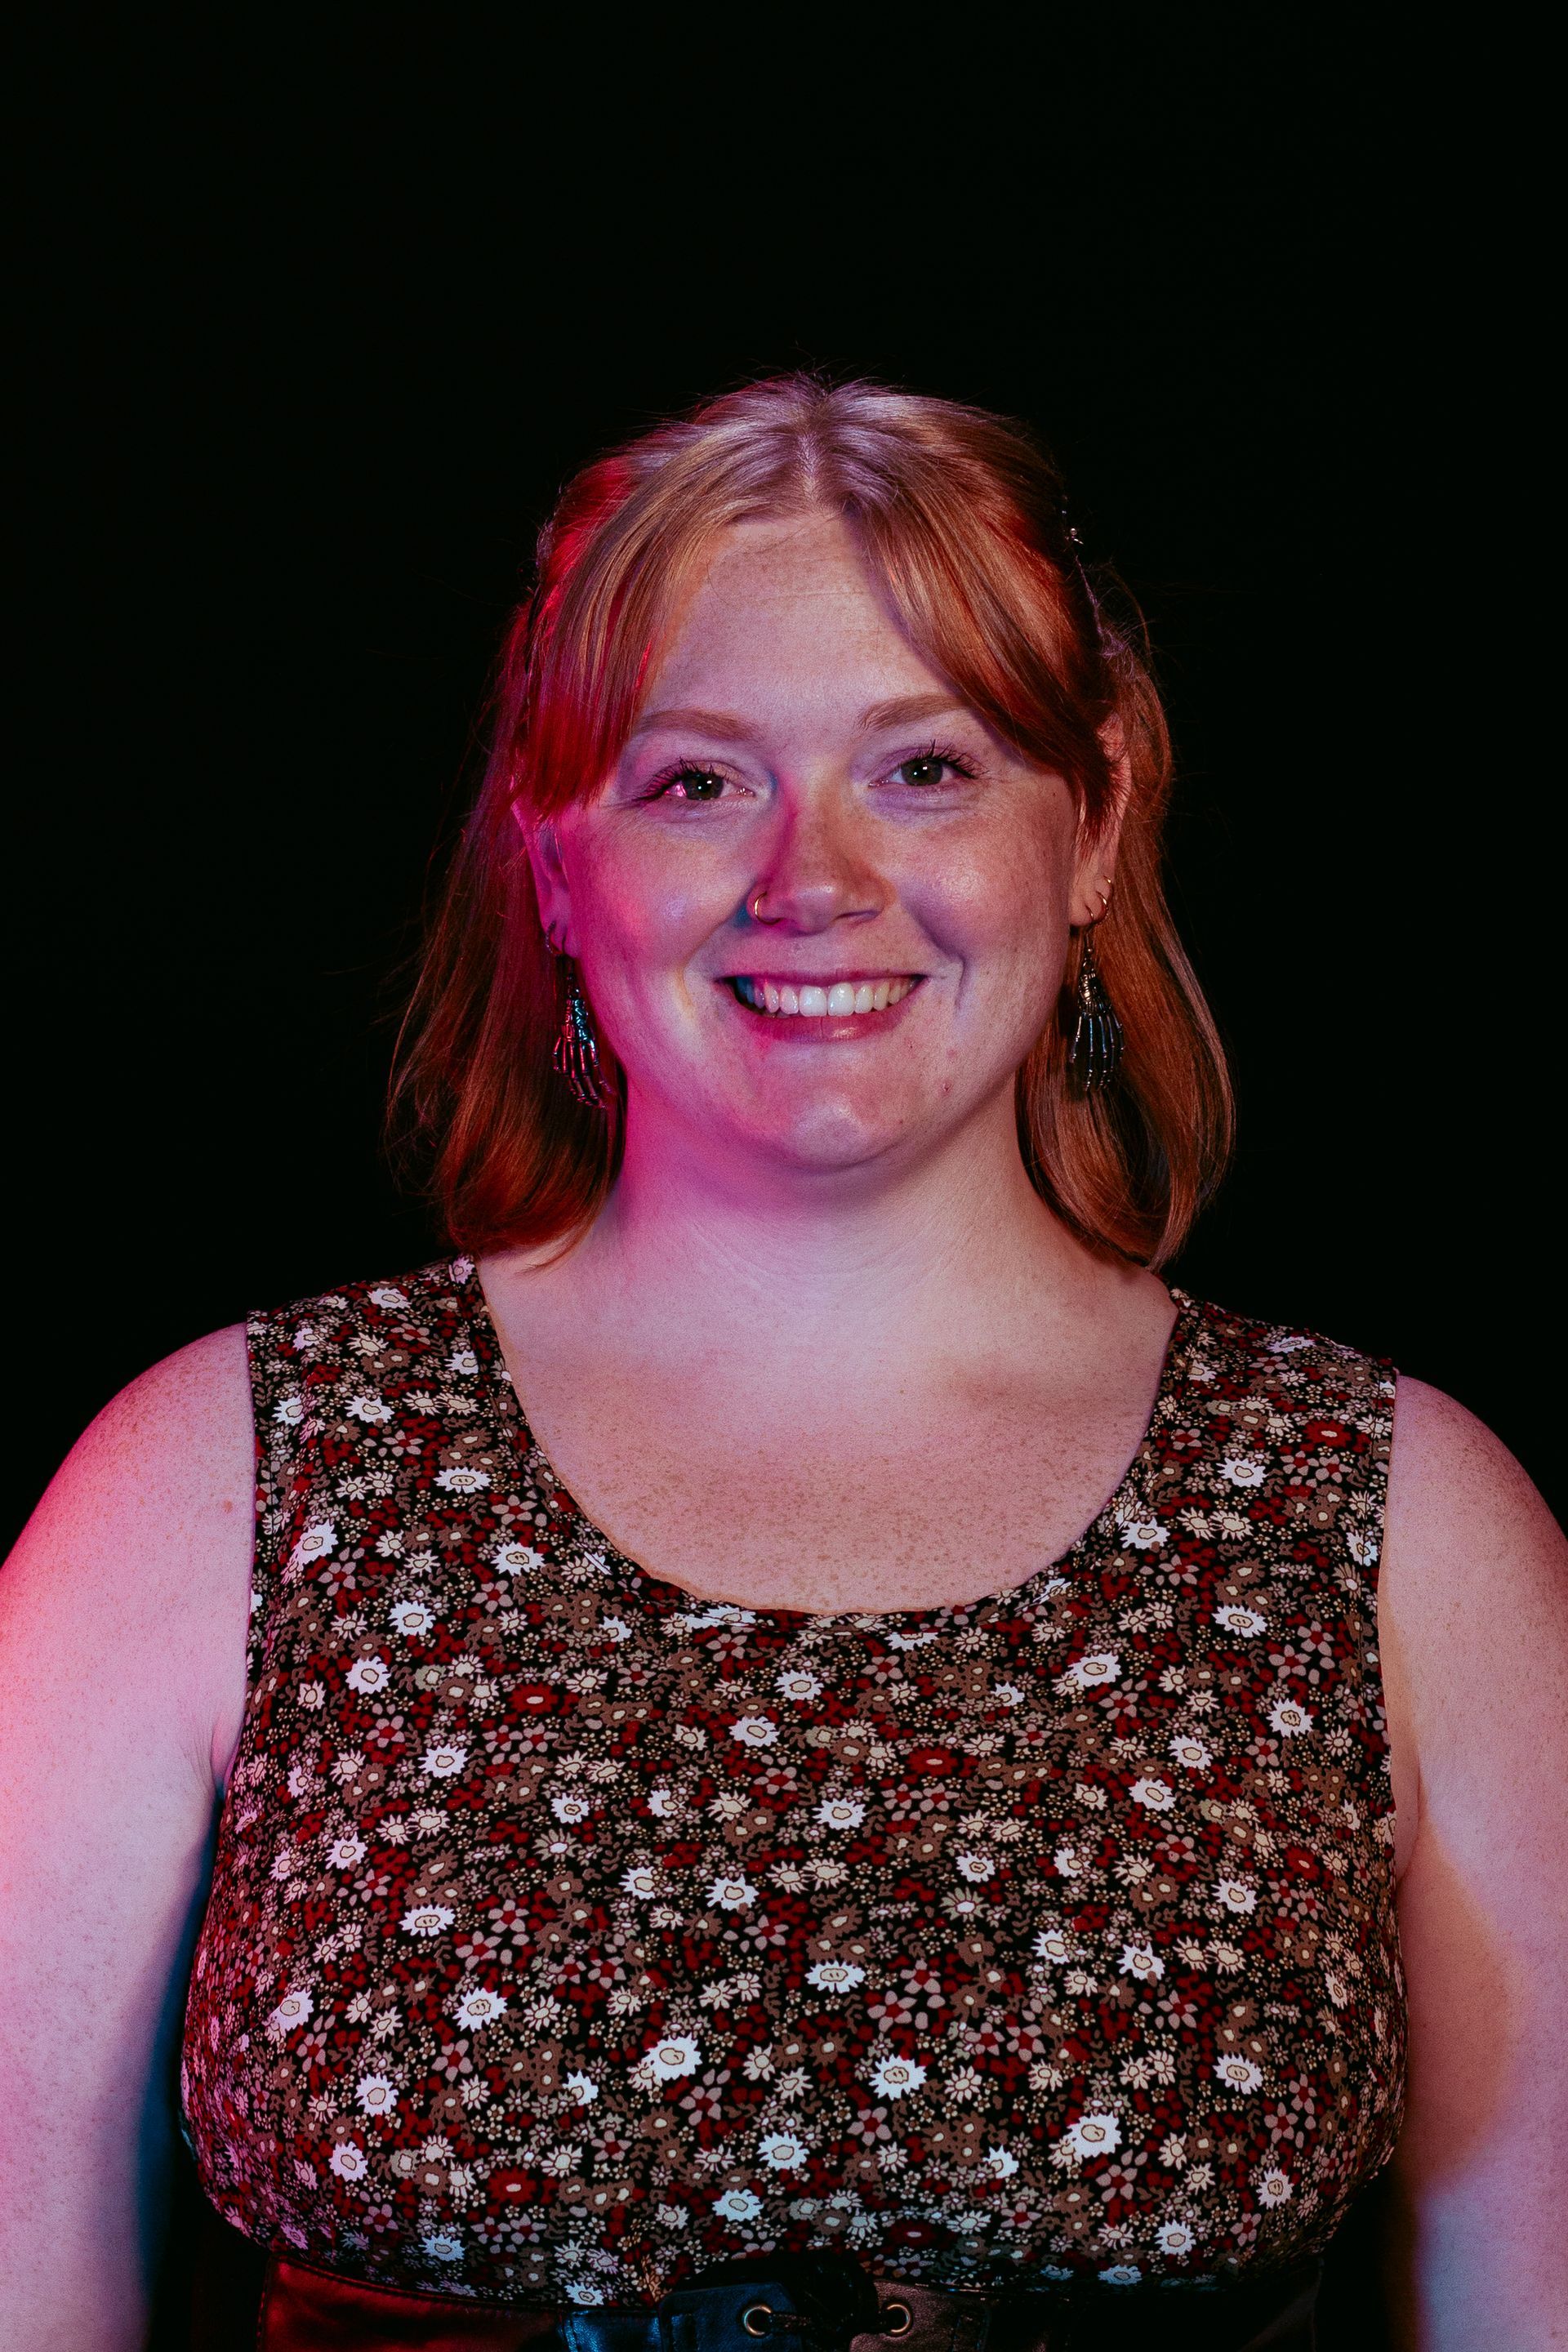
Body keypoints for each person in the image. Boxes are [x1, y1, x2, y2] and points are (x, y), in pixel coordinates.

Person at [1, 379, 1562, 2352]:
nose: (811, 880)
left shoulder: (1408, 1518)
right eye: (695, 781)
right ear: (554, 863)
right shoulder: (207, 1480)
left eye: (928, 770)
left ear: (1089, 833)